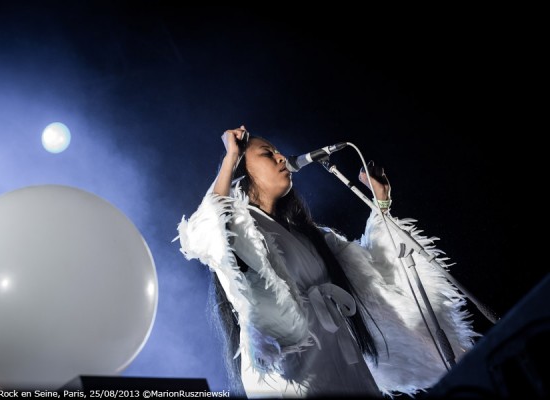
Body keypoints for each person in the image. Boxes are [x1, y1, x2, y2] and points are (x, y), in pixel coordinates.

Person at [177, 126, 478, 398]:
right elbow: (211, 226)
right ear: (243, 171)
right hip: (293, 373)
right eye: (268, 154)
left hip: (344, 362)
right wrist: (230, 157)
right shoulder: (241, 230)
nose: (282, 158)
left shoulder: (310, 235)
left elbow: (374, 267)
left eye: (279, 151)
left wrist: (381, 204)